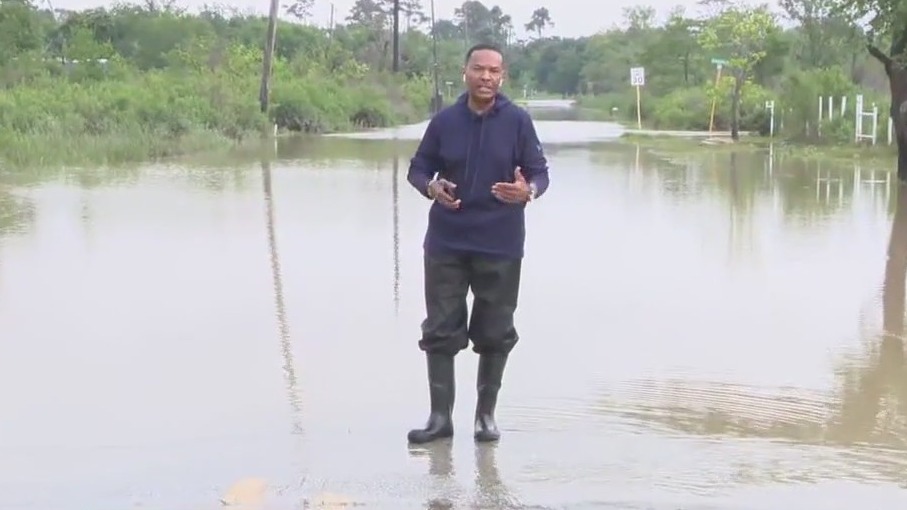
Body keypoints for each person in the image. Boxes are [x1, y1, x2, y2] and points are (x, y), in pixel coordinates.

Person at [405, 42, 550, 444]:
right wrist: (431, 187)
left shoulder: (518, 122)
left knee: (495, 329)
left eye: (494, 71)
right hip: (446, 244)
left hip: (500, 244)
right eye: (479, 69)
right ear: (465, 72)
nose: (486, 77)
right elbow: (418, 169)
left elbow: (540, 173)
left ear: (502, 77)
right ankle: (439, 419)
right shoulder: (444, 121)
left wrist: (528, 191)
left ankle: (485, 417)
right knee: (440, 329)